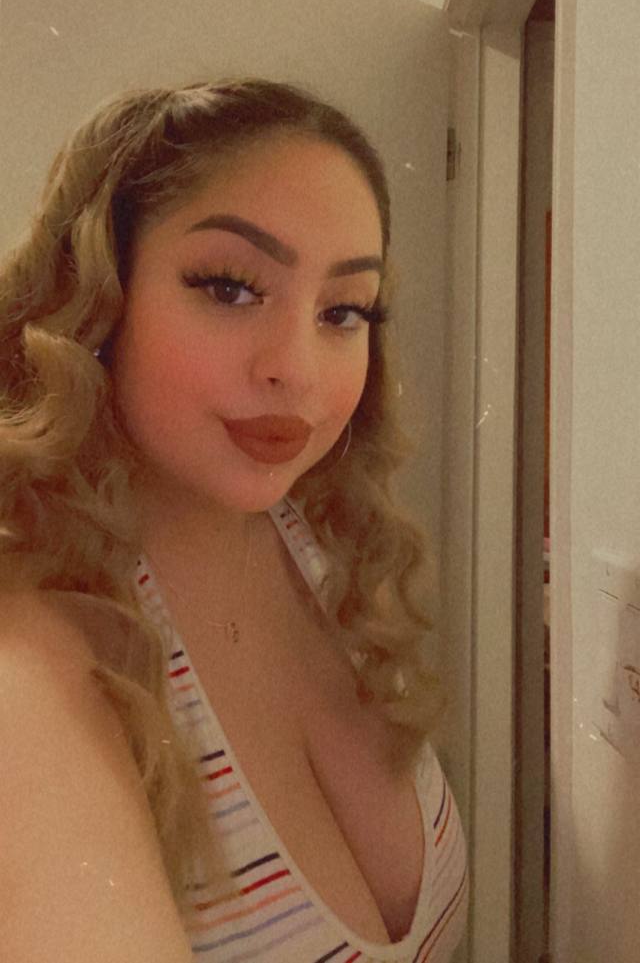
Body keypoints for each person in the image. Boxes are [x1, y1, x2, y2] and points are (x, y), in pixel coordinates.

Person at [0, 79, 468, 961]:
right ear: (97, 299)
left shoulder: (319, 542)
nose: (297, 367)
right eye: (230, 287)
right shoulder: (39, 653)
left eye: (343, 311)